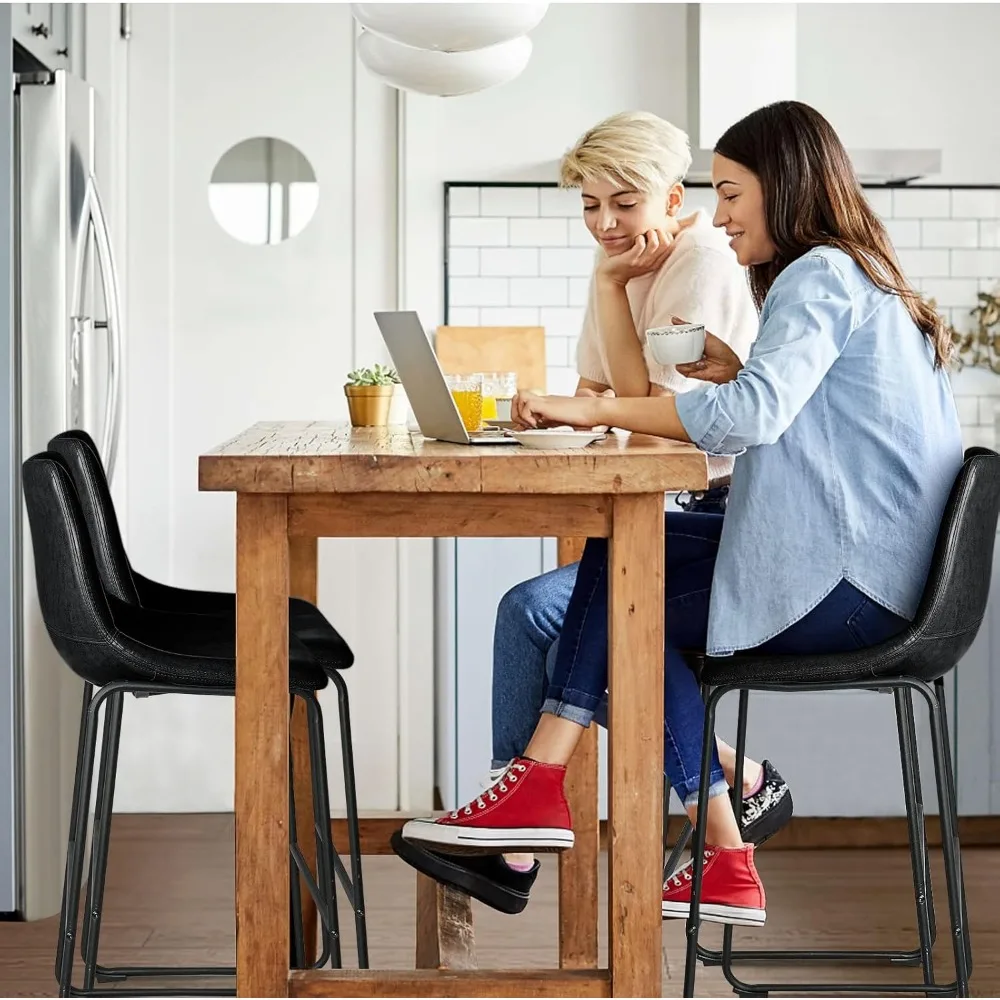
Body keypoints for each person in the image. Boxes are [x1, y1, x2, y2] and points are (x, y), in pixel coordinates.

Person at [399, 100, 963, 926]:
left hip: (852, 582)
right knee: (624, 553)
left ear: (784, 185)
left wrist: (577, 409)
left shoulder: (821, 273)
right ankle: (603, 814)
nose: (722, 214)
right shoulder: (848, 273)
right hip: (856, 559)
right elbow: (800, 416)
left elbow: (747, 421)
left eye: (732, 194)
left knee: (629, 601)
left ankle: (570, 805)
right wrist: (735, 369)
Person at [391, 111, 791, 915]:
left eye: (625, 203)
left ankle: (518, 831)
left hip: (719, 515)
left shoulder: (702, 264)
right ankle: (729, 779)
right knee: (554, 613)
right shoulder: (626, 264)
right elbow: (609, 391)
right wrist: (583, 384)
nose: (605, 224)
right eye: (589, 206)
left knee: (572, 613)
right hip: (672, 507)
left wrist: (598, 367)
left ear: (672, 198)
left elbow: (655, 417)